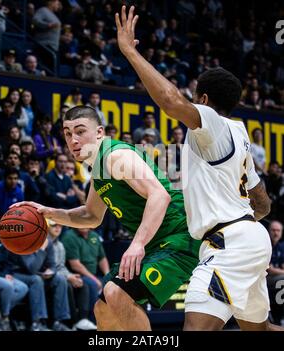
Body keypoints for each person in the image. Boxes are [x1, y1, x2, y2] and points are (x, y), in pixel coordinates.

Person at [115, 5, 282, 331]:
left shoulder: (212, 123)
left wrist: (130, 54)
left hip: (228, 243)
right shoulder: (240, 133)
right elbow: (262, 203)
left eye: (194, 98)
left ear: (203, 99)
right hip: (251, 237)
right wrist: (244, 232)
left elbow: (169, 101)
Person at [10, 105, 200, 331]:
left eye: (80, 131)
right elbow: (90, 216)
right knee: (103, 308)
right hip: (156, 241)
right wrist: (49, 213)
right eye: (68, 133)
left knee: (115, 292)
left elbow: (159, 195)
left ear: (99, 132)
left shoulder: (115, 156)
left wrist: (137, 244)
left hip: (179, 237)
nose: (73, 140)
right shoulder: (99, 169)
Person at [9, 236, 71, 331]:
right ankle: (36, 323)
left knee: (60, 279)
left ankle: (58, 322)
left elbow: (52, 264)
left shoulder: (47, 241)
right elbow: (31, 269)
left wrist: (50, 271)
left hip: (39, 274)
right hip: (18, 274)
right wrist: (41, 249)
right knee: (36, 280)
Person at [48, 220, 96, 330]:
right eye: (54, 225)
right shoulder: (44, 243)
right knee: (67, 284)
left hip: (59, 275)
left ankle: (82, 319)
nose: (58, 228)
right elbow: (49, 267)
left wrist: (71, 275)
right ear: (46, 226)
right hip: (48, 276)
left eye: (60, 225)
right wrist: (68, 277)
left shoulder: (59, 245)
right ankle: (72, 321)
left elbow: (61, 266)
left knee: (81, 283)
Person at [0, 211, 28, 331]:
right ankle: (5, 317)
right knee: (8, 286)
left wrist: (7, 273)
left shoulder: (2, 241)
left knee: (23, 287)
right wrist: (3, 276)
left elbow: (8, 262)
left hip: (2, 275)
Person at [61, 227, 110, 322]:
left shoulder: (94, 235)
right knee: (93, 284)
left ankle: (110, 319)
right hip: (77, 275)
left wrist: (108, 275)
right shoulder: (69, 237)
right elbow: (75, 265)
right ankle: (93, 320)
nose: (83, 224)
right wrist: (94, 279)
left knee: (112, 284)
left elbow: (102, 258)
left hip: (93, 274)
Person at [267, 221, 284, 325]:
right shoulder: (265, 244)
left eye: (278, 230)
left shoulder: (282, 247)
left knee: (281, 281)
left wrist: (275, 270)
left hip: (276, 278)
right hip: (263, 278)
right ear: (269, 231)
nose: (276, 233)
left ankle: (279, 316)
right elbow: (268, 269)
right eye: (273, 230)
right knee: (281, 281)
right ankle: (278, 317)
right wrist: (274, 270)